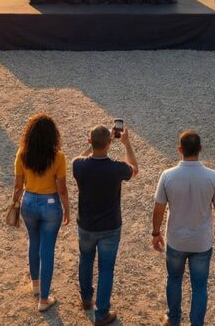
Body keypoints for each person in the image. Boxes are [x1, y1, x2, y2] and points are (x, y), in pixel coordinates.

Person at [151, 131, 215, 326]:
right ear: (201, 149)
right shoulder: (213, 177)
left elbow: (158, 209)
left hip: (176, 240)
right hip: (201, 242)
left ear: (179, 150)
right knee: (200, 287)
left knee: (174, 279)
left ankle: (173, 318)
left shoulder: (167, 176)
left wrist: (156, 233)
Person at [73, 123, 139, 326]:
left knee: (85, 259)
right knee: (106, 269)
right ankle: (101, 313)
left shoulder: (79, 165)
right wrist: (126, 144)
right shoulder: (116, 168)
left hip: (86, 224)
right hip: (110, 225)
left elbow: (78, 157)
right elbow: (134, 169)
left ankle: (85, 297)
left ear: (89, 142)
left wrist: (92, 145)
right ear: (110, 143)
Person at [11, 114, 70, 313]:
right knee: (48, 250)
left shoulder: (22, 154)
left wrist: (15, 204)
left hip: (28, 202)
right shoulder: (58, 156)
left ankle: (35, 285)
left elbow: (18, 185)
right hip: (50, 204)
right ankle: (44, 299)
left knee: (33, 242)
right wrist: (68, 209)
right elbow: (62, 189)